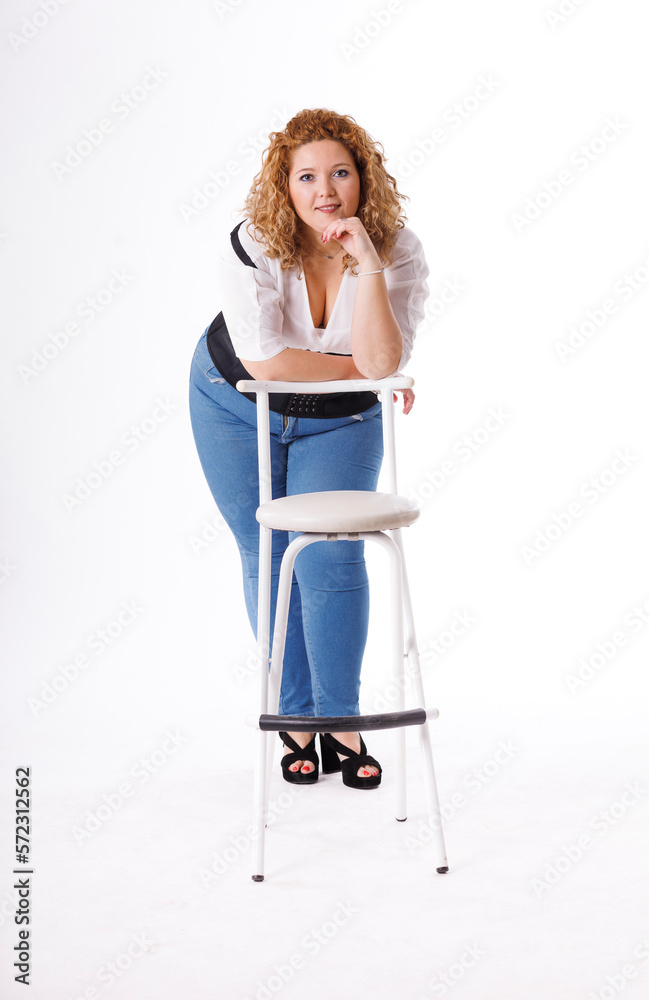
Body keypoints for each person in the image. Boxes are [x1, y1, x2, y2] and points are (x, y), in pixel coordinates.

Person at [188, 108, 429, 789]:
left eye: (341, 172)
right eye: (307, 176)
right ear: (284, 186)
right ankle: (296, 719)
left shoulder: (397, 250)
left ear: (362, 179)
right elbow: (263, 363)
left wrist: (368, 266)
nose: (326, 190)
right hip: (231, 401)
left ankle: (340, 723)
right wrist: (363, 372)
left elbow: (382, 357)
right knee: (263, 550)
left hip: (339, 421)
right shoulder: (253, 242)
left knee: (330, 552)